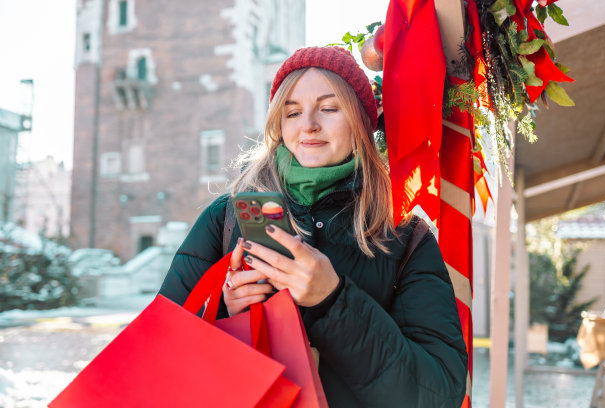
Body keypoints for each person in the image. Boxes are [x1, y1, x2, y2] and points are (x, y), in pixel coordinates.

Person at [159, 46, 467, 407]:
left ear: (362, 123)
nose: (308, 125)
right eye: (292, 112)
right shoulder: (227, 219)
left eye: (329, 108)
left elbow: (438, 392)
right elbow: (164, 352)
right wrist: (228, 313)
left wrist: (332, 300)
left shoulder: (404, 236)